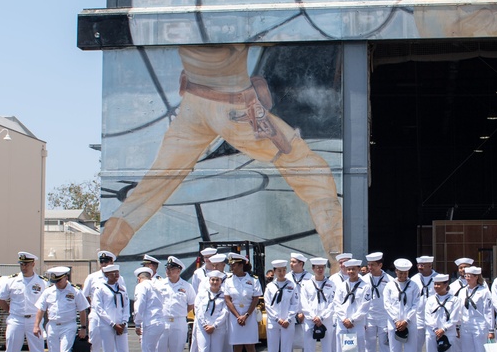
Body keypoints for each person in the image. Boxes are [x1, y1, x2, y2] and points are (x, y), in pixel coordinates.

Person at [98, 44, 344, 259]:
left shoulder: (186, 18)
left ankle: (107, 251)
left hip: (193, 106)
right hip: (234, 108)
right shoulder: (230, 17)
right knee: (309, 168)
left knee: (154, 184)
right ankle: (338, 258)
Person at [0, 252, 50, 352]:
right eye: (21, 264)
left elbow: (47, 303)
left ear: (33, 264)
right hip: (16, 319)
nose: (23, 267)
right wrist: (9, 310)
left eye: (26, 264)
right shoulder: (10, 281)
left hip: (34, 319)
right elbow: (0, 299)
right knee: (11, 351)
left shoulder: (42, 282)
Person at [33, 266, 89, 352]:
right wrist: (36, 326)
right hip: (52, 325)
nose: (57, 284)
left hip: (68, 325)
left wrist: (83, 328)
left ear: (66, 278)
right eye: (55, 281)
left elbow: (82, 310)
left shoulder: (75, 291)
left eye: (59, 281)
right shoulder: (49, 292)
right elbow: (41, 309)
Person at [81, 250, 125, 352]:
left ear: (112, 262)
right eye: (102, 262)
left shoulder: (119, 278)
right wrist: (95, 305)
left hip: (113, 316)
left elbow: (123, 296)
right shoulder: (92, 277)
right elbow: (84, 296)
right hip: (96, 315)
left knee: (112, 347)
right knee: (93, 343)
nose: (104, 264)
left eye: (107, 262)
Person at [223, 253, 263, 352]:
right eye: (230, 265)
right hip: (235, 316)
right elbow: (227, 299)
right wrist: (237, 316)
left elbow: (256, 298)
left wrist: (246, 315)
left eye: (233, 265)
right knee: (237, 347)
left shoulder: (253, 280)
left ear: (241, 265)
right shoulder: (228, 281)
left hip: (249, 316)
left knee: (250, 346)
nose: (231, 268)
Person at [92, 263, 133, 352]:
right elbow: (99, 309)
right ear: (106, 275)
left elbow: (126, 306)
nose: (116, 276)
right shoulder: (100, 289)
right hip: (107, 325)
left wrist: (125, 321)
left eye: (117, 273)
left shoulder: (122, 289)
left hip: (121, 324)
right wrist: (112, 324)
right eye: (113, 274)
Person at [382, 258, 421, 352]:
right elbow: (387, 304)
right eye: (400, 273)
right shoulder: (390, 285)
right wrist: (396, 320)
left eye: (405, 273)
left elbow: (416, 304)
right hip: (394, 323)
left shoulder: (414, 286)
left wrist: (406, 320)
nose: (403, 276)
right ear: (396, 271)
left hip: (409, 323)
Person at [332, 257, 369, 352]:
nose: (351, 271)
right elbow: (336, 304)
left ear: (359, 269)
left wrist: (352, 319)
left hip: (356, 324)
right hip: (343, 323)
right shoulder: (342, 286)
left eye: (354, 269)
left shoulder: (365, 287)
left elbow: (365, 306)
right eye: (349, 269)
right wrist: (344, 319)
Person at [159, 256, 195, 352]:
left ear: (178, 270)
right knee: (159, 351)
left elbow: (191, 304)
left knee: (176, 351)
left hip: (179, 321)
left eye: (171, 269)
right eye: (167, 268)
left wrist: (182, 313)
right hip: (162, 320)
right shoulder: (159, 284)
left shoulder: (186, 286)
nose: (168, 271)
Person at [300, 256, 336, 352]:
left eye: (322, 267)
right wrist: (313, 316)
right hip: (310, 320)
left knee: (328, 350)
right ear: (313, 269)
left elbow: (333, 302)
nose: (320, 270)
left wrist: (322, 317)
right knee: (309, 350)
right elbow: (304, 303)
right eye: (317, 267)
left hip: (326, 320)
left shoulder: (331, 284)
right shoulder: (307, 284)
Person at [458, 266, 494, 352]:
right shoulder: (463, 291)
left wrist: (491, 330)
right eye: (466, 276)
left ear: (476, 277)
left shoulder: (484, 291)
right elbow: (459, 310)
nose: (467, 278)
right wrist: (458, 325)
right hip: (466, 325)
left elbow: (489, 311)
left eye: (470, 276)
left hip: (480, 325)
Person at [264, 258, 299, 352]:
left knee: (286, 351)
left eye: (284, 270)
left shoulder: (292, 285)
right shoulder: (270, 287)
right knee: (272, 351)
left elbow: (295, 304)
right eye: (279, 271)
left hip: (288, 323)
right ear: (274, 272)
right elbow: (268, 305)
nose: (282, 273)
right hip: (274, 322)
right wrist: (277, 319)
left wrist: (289, 319)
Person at [183, 247, 217, 352]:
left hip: (215, 312)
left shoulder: (219, 272)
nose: (208, 260)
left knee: (215, 343)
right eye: (206, 257)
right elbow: (195, 293)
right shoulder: (198, 273)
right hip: (201, 311)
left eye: (211, 257)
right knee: (197, 342)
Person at [194, 270, 230, 352]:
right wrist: (205, 325)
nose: (214, 282)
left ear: (220, 282)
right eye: (212, 280)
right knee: (203, 351)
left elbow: (225, 312)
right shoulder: (202, 294)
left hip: (217, 328)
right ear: (209, 281)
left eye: (217, 280)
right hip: (203, 327)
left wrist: (214, 325)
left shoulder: (224, 296)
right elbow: (198, 310)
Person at [424, 273, 459, 352]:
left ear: (446, 285)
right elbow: (427, 316)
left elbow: (454, 317)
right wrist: (435, 329)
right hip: (432, 332)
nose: (436, 286)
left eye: (439, 284)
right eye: (435, 284)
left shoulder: (454, 300)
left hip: (448, 332)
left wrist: (444, 329)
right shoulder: (430, 299)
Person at [132, 265, 164, 352]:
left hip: (150, 323)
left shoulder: (141, 286)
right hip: (159, 321)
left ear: (139, 278)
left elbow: (139, 305)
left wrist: (137, 322)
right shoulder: (156, 286)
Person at [363, 251, 391, 352]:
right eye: (369, 265)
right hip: (369, 317)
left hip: (384, 317)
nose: (370, 267)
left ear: (380, 265)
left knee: (385, 346)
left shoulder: (390, 280)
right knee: (369, 347)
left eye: (373, 265)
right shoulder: (363, 280)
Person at [409, 256, 436, 352]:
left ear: (430, 265)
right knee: (415, 350)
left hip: (434, 318)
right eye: (418, 265)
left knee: (434, 350)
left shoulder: (438, 278)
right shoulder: (414, 279)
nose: (419, 267)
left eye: (422, 265)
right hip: (418, 317)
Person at [289, 252, 310, 352]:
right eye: (291, 261)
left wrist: (304, 312)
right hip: (291, 315)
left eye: (293, 262)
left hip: (306, 315)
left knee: (306, 345)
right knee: (288, 345)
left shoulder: (310, 277)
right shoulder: (286, 277)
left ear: (301, 264)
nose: (291, 264)